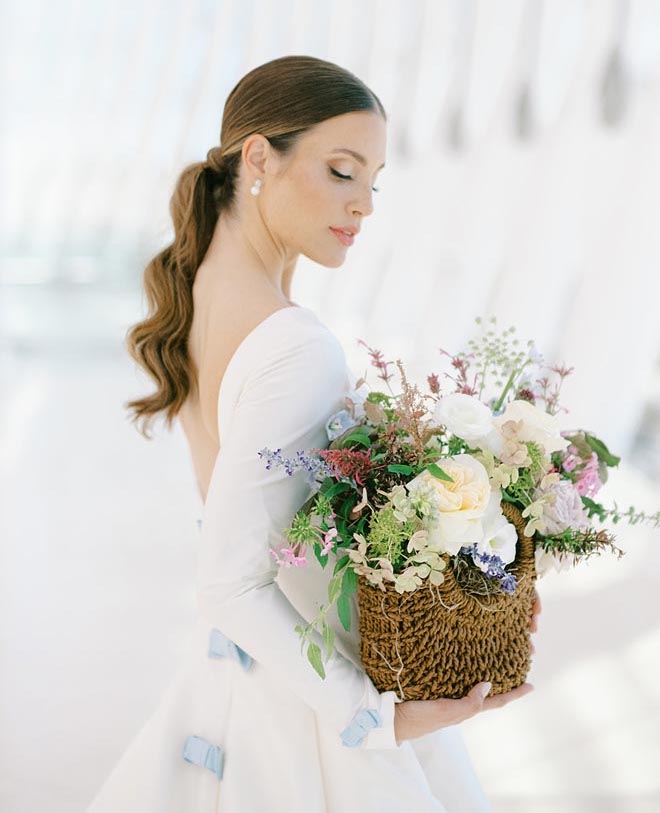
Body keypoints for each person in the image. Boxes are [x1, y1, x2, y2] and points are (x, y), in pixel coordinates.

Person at [87, 54, 540, 812]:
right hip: (308, 719)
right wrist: (375, 715)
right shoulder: (292, 341)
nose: (364, 205)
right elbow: (231, 579)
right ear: (259, 156)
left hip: (237, 682)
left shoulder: (203, 295)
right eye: (341, 170)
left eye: (374, 180)